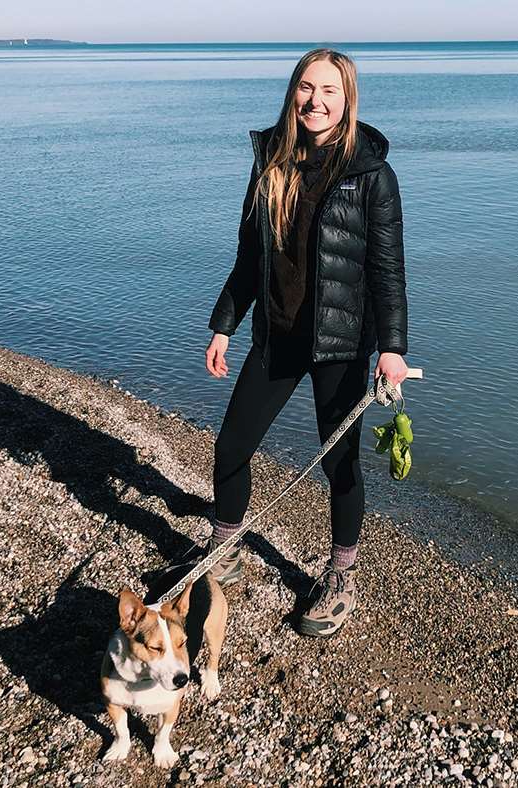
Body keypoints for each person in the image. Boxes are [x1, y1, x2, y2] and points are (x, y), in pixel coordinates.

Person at [194, 48, 408, 638]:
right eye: (306, 88)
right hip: (277, 336)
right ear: (293, 93)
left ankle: (341, 575)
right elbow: (247, 256)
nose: (316, 101)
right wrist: (224, 323)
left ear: (347, 99)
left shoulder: (371, 175)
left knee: (340, 462)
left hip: (340, 343)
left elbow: (389, 271)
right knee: (232, 446)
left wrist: (392, 349)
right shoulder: (270, 161)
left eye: (330, 92)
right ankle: (226, 549)